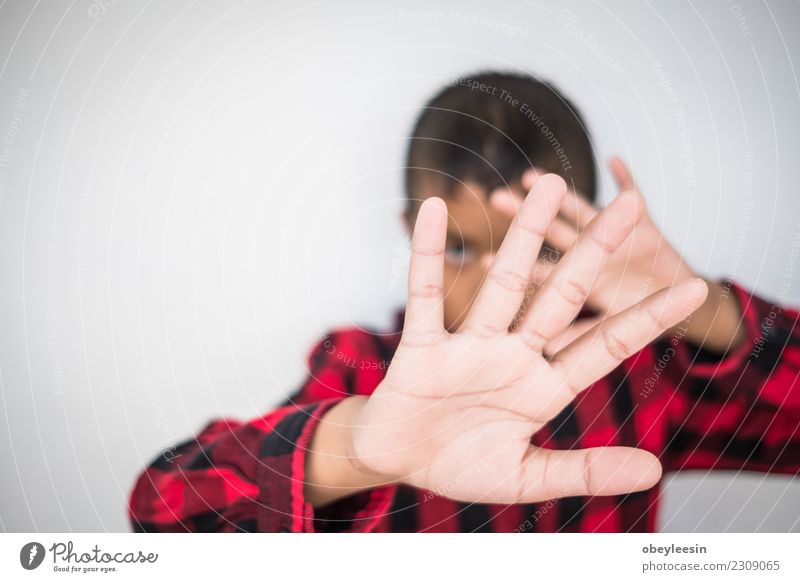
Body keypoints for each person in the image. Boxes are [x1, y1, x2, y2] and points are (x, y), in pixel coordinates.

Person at [129, 71, 800, 532]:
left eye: (533, 249)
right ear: (409, 234)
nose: (488, 285)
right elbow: (163, 510)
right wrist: (361, 449)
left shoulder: (635, 373)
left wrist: (704, 311)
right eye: (456, 250)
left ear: (588, 240)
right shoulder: (357, 366)